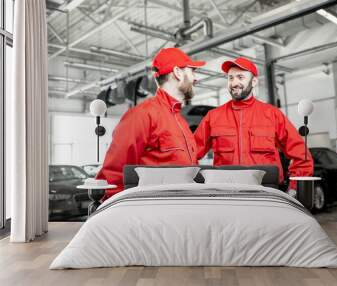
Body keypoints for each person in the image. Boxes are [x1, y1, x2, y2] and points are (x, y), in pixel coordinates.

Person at [194, 57, 313, 197]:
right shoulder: (213, 117)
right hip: (225, 193)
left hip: (266, 192)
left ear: (254, 81)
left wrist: (293, 189)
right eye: (230, 78)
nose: (234, 83)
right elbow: (189, 154)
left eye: (240, 77)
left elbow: (302, 156)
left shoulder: (272, 114)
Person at [96, 48, 205, 200]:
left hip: (183, 210)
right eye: (192, 71)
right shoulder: (141, 116)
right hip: (155, 213)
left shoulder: (181, 122)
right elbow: (113, 178)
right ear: (178, 73)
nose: (195, 78)